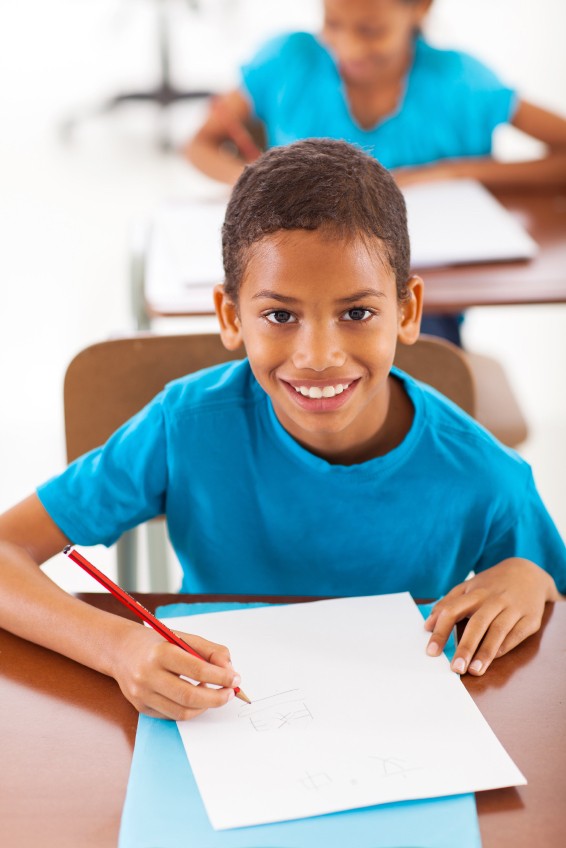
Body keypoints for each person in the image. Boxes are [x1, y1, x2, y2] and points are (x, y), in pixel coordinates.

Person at [0, 140, 563, 723]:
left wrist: (535, 578)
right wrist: (116, 645)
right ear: (229, 316)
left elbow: (552, 605)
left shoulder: (488, 477)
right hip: (217, 726)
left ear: (408, 310)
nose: (318, 355)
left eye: (357, 312)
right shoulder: (183, 428)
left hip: (399, 740)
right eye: (280, 315)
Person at [183, 0, 566, 344]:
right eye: (332, 23)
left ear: (421, 9)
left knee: (411, 355)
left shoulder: (461, 80)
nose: (347, 46)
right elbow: (200, 144)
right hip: (293, 282)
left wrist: (452, 172)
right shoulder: (287, 60)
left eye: (370, 30)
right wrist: (264, 184)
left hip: (429, 305)